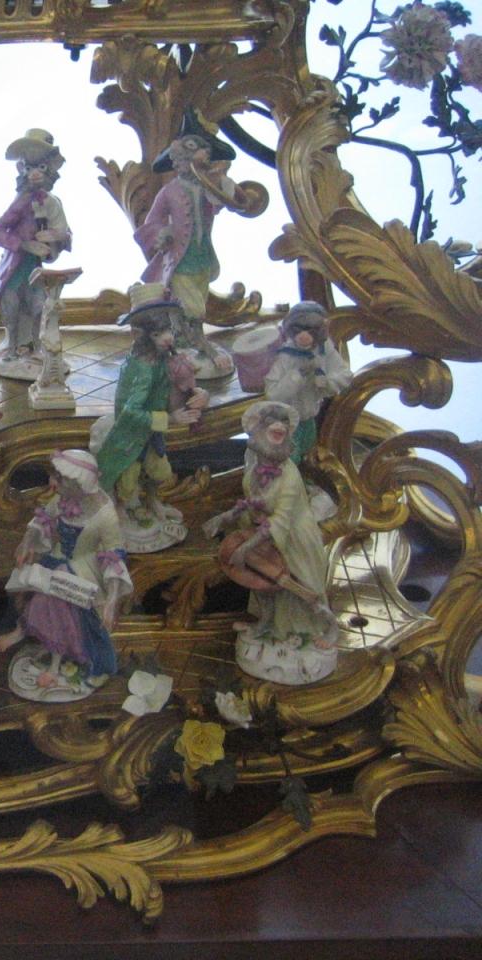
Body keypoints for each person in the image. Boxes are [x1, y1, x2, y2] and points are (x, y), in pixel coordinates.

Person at [203, 401, 338, 684]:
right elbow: (253, 501)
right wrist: (224, 518)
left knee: (301, 588)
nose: (277, 434)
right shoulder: (256, 468)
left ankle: (326, 627)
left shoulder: (289, 477)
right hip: (260, 532)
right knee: (264, 584)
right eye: (271, 431)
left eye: (282, 432)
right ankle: (268, 623)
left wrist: (246, 548)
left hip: (293, 539)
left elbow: (281, 520)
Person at [0, 450, 132, 701]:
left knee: (60, 606)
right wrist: (27, 542)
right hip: (58, 558)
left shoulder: (105, 515)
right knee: (31, 588)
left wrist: (112, 599)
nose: (53, 483)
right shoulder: (63, 498)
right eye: (55, 476)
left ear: (80, 485)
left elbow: (114, 557)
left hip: (83, 568)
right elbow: (42, 520)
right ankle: (27, 631)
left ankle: (56, 663)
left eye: (61, 479)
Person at [92, 283, 208, 552]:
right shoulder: (142, 368)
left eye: (168, 330)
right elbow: (130, 412)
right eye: (158, 333)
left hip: (151, 433)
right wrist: (170, 419)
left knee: (161, 472)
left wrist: (201, 394)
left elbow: (182, 386)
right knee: (127, 480)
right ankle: (122, 510)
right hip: (131, 435)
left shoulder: (165, 359)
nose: (167, 339)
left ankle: (153, 500)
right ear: (141, 335)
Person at [134, 109, 249, 379]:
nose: (203, 156)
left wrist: (224, 183)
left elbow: (237, 202)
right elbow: (152, 222)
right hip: (180, 258)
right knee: (189, 306)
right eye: (195, 151)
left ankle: (188, 343)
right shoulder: (169, 191)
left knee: (198, 300)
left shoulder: (210, 186)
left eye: (205, 152)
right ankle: (194, 344)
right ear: (180, 160)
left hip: (202, 256)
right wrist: (162, 234)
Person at [0, 129, 72, 370]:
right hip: (15, 269)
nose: (34, 174)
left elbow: (65, 234)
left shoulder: (51, 202)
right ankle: (12, 347)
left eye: (40, 167)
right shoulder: (22, 201)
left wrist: (54, 237)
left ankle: (34, 347)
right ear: (22, 170)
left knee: (39, 307)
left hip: (35, 269)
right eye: (29, 167)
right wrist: (23, 244)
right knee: (12, 309)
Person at [264, 301, 352, 463]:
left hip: (310, 418)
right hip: (288, 421)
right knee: (290, 459)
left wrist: (325, 382)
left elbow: (345, 376)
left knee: (308, 454)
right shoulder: (285, 355)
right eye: (298, 329)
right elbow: (272, 394)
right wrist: (297, 375)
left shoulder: (324, 350)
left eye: (311, 330)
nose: (304, 336)